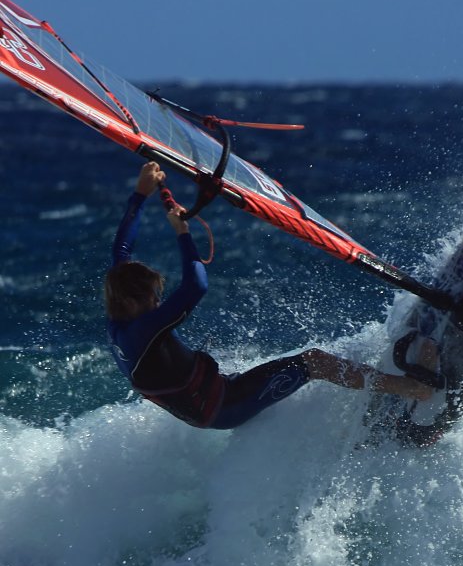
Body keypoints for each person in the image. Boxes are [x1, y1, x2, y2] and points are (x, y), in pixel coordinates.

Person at [105, 161, 431, 429]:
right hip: (222, 407)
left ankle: (369, 411)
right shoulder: (143, 330)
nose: (158, 303)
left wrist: (140, 193)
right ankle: (414, 389)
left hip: (216, 394)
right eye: (153, 299)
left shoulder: (120, 311)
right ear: (134, 302)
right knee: (313, 362)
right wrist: (182, 233)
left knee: (296, 368)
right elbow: (196, 286)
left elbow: (121, 250)